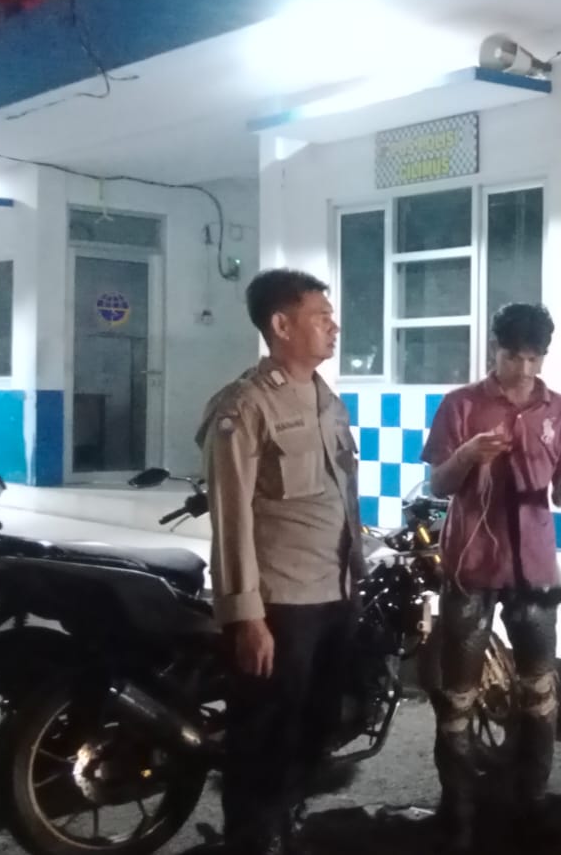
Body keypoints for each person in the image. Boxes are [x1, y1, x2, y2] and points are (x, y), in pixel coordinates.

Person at [197, 269, 364, 855]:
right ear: (281, 325)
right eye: (322, 317)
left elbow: (341, 498)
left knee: (318, 725)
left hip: (334, 593)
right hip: (281, 603)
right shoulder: (244, 406)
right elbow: (230, 518)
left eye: (331, 317)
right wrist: (246, 615)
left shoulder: (326, 400)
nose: (334, 327)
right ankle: (250, 839)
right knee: (264, 735)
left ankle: (285, 822)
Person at [421, 302, 561, 852]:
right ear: (494, 349)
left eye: (534, 358)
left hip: (533, 570)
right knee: (457, 696)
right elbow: (438, 485)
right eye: (514, 356)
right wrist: (469, 454)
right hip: (470, 568)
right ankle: (457, 810)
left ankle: (532, 803)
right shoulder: (461, 405)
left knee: (539, 690)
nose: (523, 369)